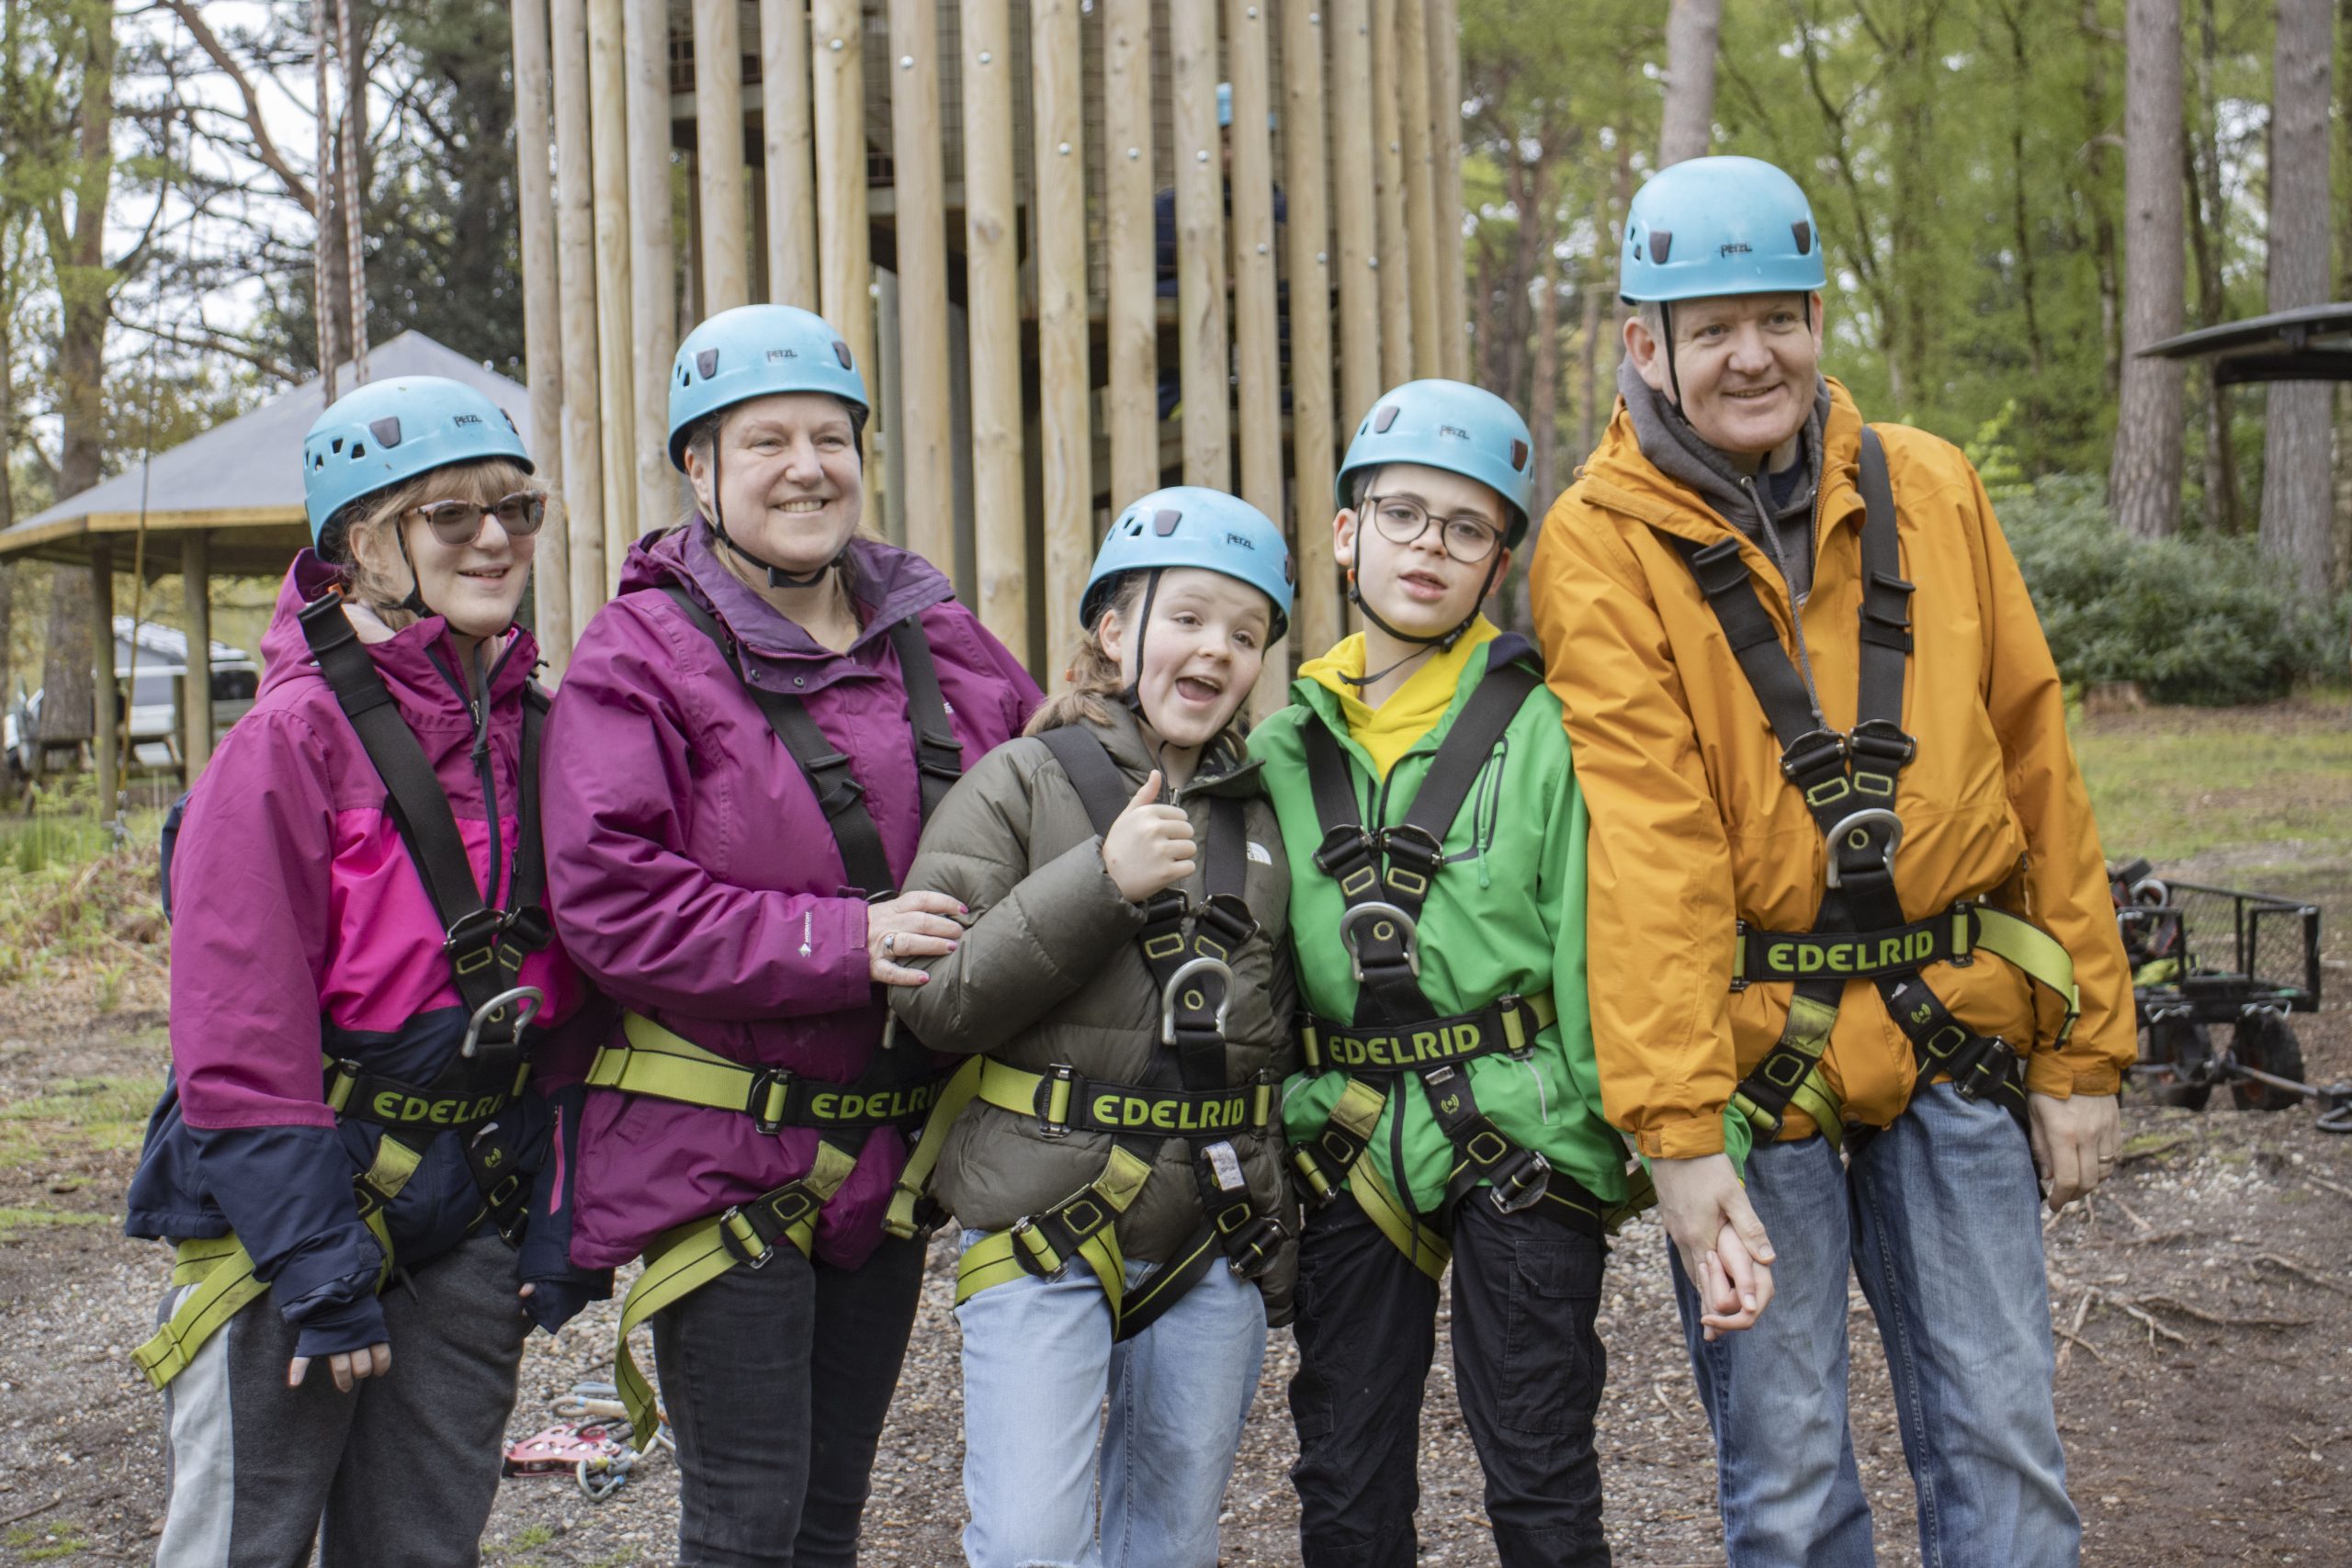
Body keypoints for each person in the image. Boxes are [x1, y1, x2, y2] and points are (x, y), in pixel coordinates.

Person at [1529, 153, 2133, 1567]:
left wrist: (2086, 1046)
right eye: (1714, 325)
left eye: (1781, 317)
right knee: (1790, 1487)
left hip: (1954, 1034)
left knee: (2008, 1445)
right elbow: (1652, 850)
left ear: (1817, 317)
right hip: (1759, 1066)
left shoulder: (1927, 484)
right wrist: (1678, 1137)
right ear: (1644, 344)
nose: (1756, 356)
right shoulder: (1601, 548)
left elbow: (2036, 760)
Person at [540, 302, 1038, 1568]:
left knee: (827, 1514)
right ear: (699, 469)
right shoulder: (639, 657)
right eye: (764, 440)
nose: (807, 465)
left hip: (886, 1151)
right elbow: (612, 896)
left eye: (830, 435)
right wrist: (842, 939)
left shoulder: (939, 635)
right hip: (722, 1153)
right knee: (751, 1519)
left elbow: (1047, 785)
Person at [125, 375, 608, 1566]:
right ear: (356, 544)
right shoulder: (288, 741)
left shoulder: (539, 728)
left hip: (468, 1207)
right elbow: (239, 1037)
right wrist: (311, 1260)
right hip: (291, 1211)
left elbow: (567, 1000)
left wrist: (555, 1221)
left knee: (423, 1549)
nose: (495, 538)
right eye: (451, 515)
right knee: (244, 1542)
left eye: (517, 509)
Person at [1249, 379, 1645, 1568]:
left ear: (1499, 561)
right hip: (1348, 1133)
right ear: (1345, 531)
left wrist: (1634, 1129)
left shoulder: (1543, 731)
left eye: (1465, 527)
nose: (1430, 545)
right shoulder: (1279, 747)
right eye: (1405, 513)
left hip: (1522, 1123)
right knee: (1346, 1471)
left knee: (1538, 1462)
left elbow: (1591, 933)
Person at [886, 488, 1297, 1568]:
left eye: (1246, 635)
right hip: (1042, 1221)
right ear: (1115, 632)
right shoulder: (1017, 783)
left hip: (1214, 1228)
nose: (1216, 651)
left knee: (1169, 1542)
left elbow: (1284, 1021)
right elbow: (932, 1001)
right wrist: (1100, 884)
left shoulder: (1267, 814)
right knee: (1029, 1544)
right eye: (1191, 619)